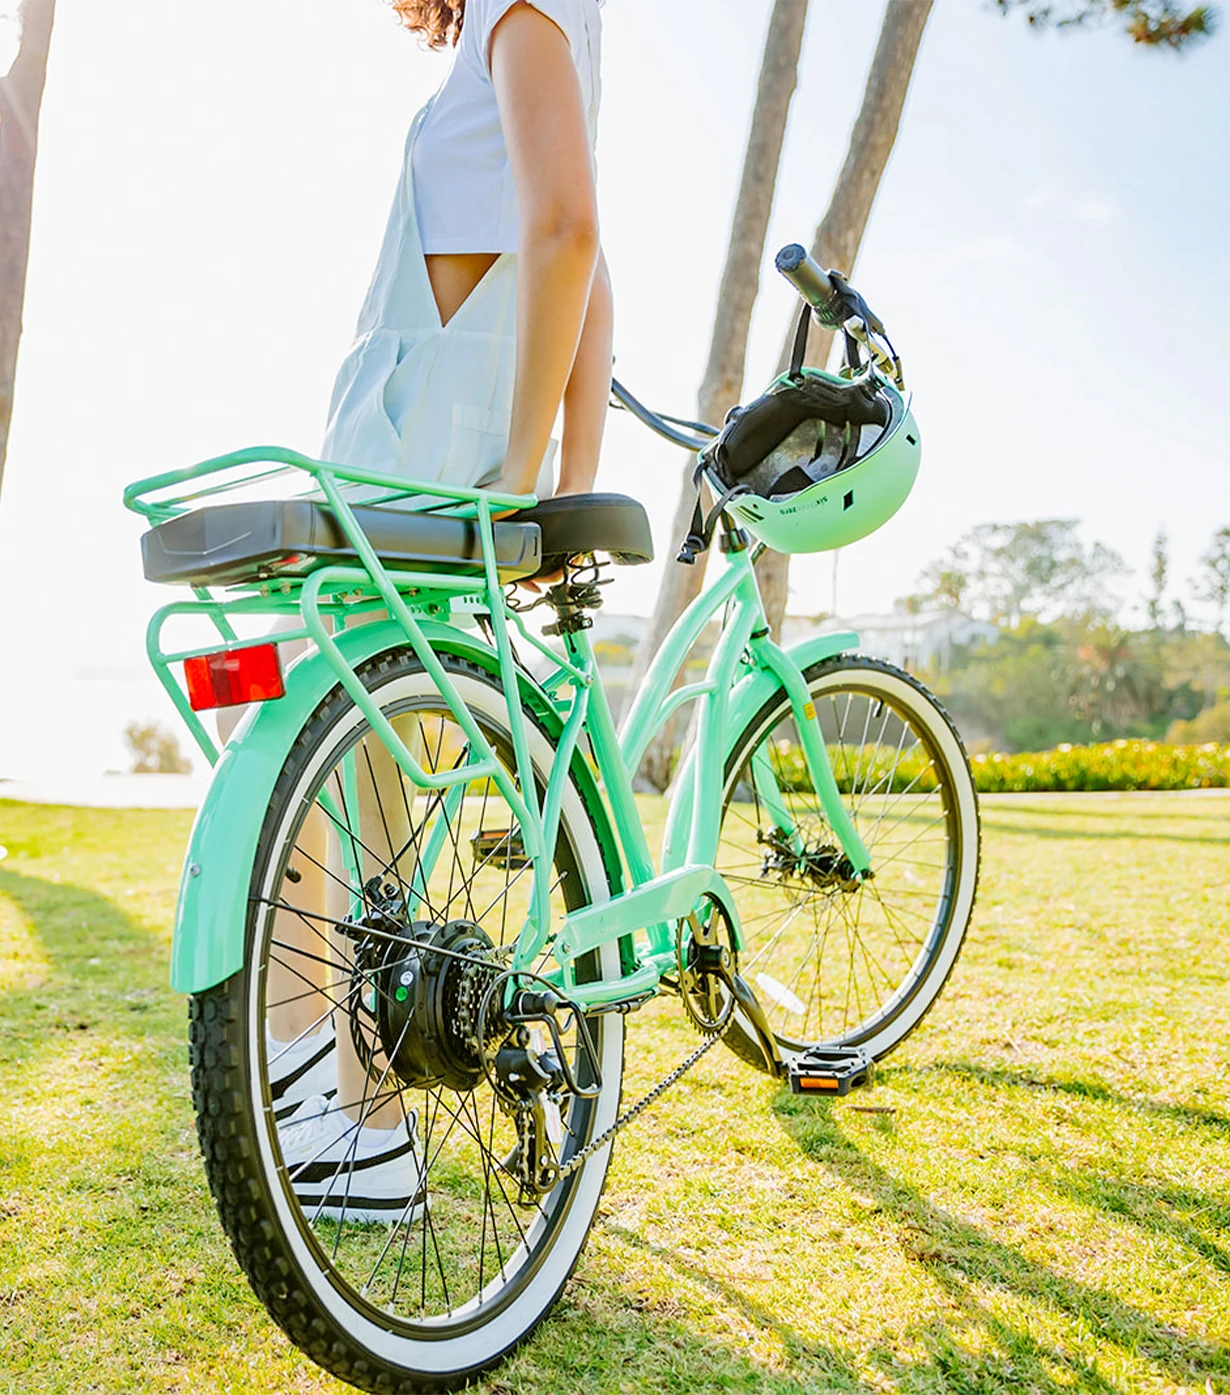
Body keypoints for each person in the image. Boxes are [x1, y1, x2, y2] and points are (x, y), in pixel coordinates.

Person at [268, 0, 611, 1222]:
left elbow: (565, 236)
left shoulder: (528, 11)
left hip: (413, 438)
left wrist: (527, 485)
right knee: (354, 773)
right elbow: (585, 264)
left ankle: (352, 1107)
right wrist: (557, 484)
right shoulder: (531, 28)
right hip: (418, 428)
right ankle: (333, 1085)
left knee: (319, 761)